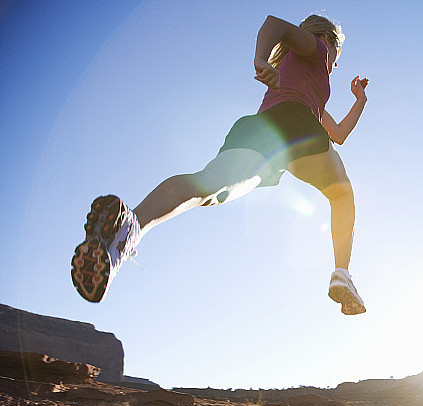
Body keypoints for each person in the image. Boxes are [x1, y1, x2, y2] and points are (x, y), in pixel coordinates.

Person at [70, 14, 368, 315]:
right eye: (336, 58)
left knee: (209, 186)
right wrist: (260, 59)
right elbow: (274, 24)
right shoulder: (315, 47)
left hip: (262, 129)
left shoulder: (304, 82)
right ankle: (341, 272)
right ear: (327, 40)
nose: (333, 66)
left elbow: (339, 134)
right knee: (342, 195)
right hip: (297, 126)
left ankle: (129, 228)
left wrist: (359, 100)